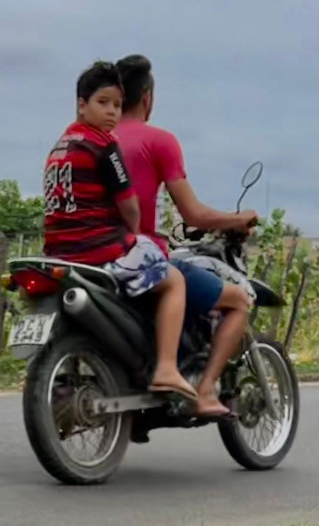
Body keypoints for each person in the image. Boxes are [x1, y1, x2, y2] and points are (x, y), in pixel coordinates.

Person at [42, 60, 200, 408]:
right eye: (103, 103)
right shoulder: (103, 146)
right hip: (98, 248)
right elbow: (130, 207)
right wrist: (134, 234)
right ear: (81, 104)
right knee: (173, 280)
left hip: (58, 251)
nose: (112, 112)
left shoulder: (60, 146)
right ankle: (168, 368)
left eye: (116, 104)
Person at [115, 55, 259, 419]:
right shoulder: (159, 141)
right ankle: (206, 389)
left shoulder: (92, 137)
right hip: (140, 255)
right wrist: (236, 219)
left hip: (92, 252)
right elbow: (194, 214)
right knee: (238, 300)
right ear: (147, 97)